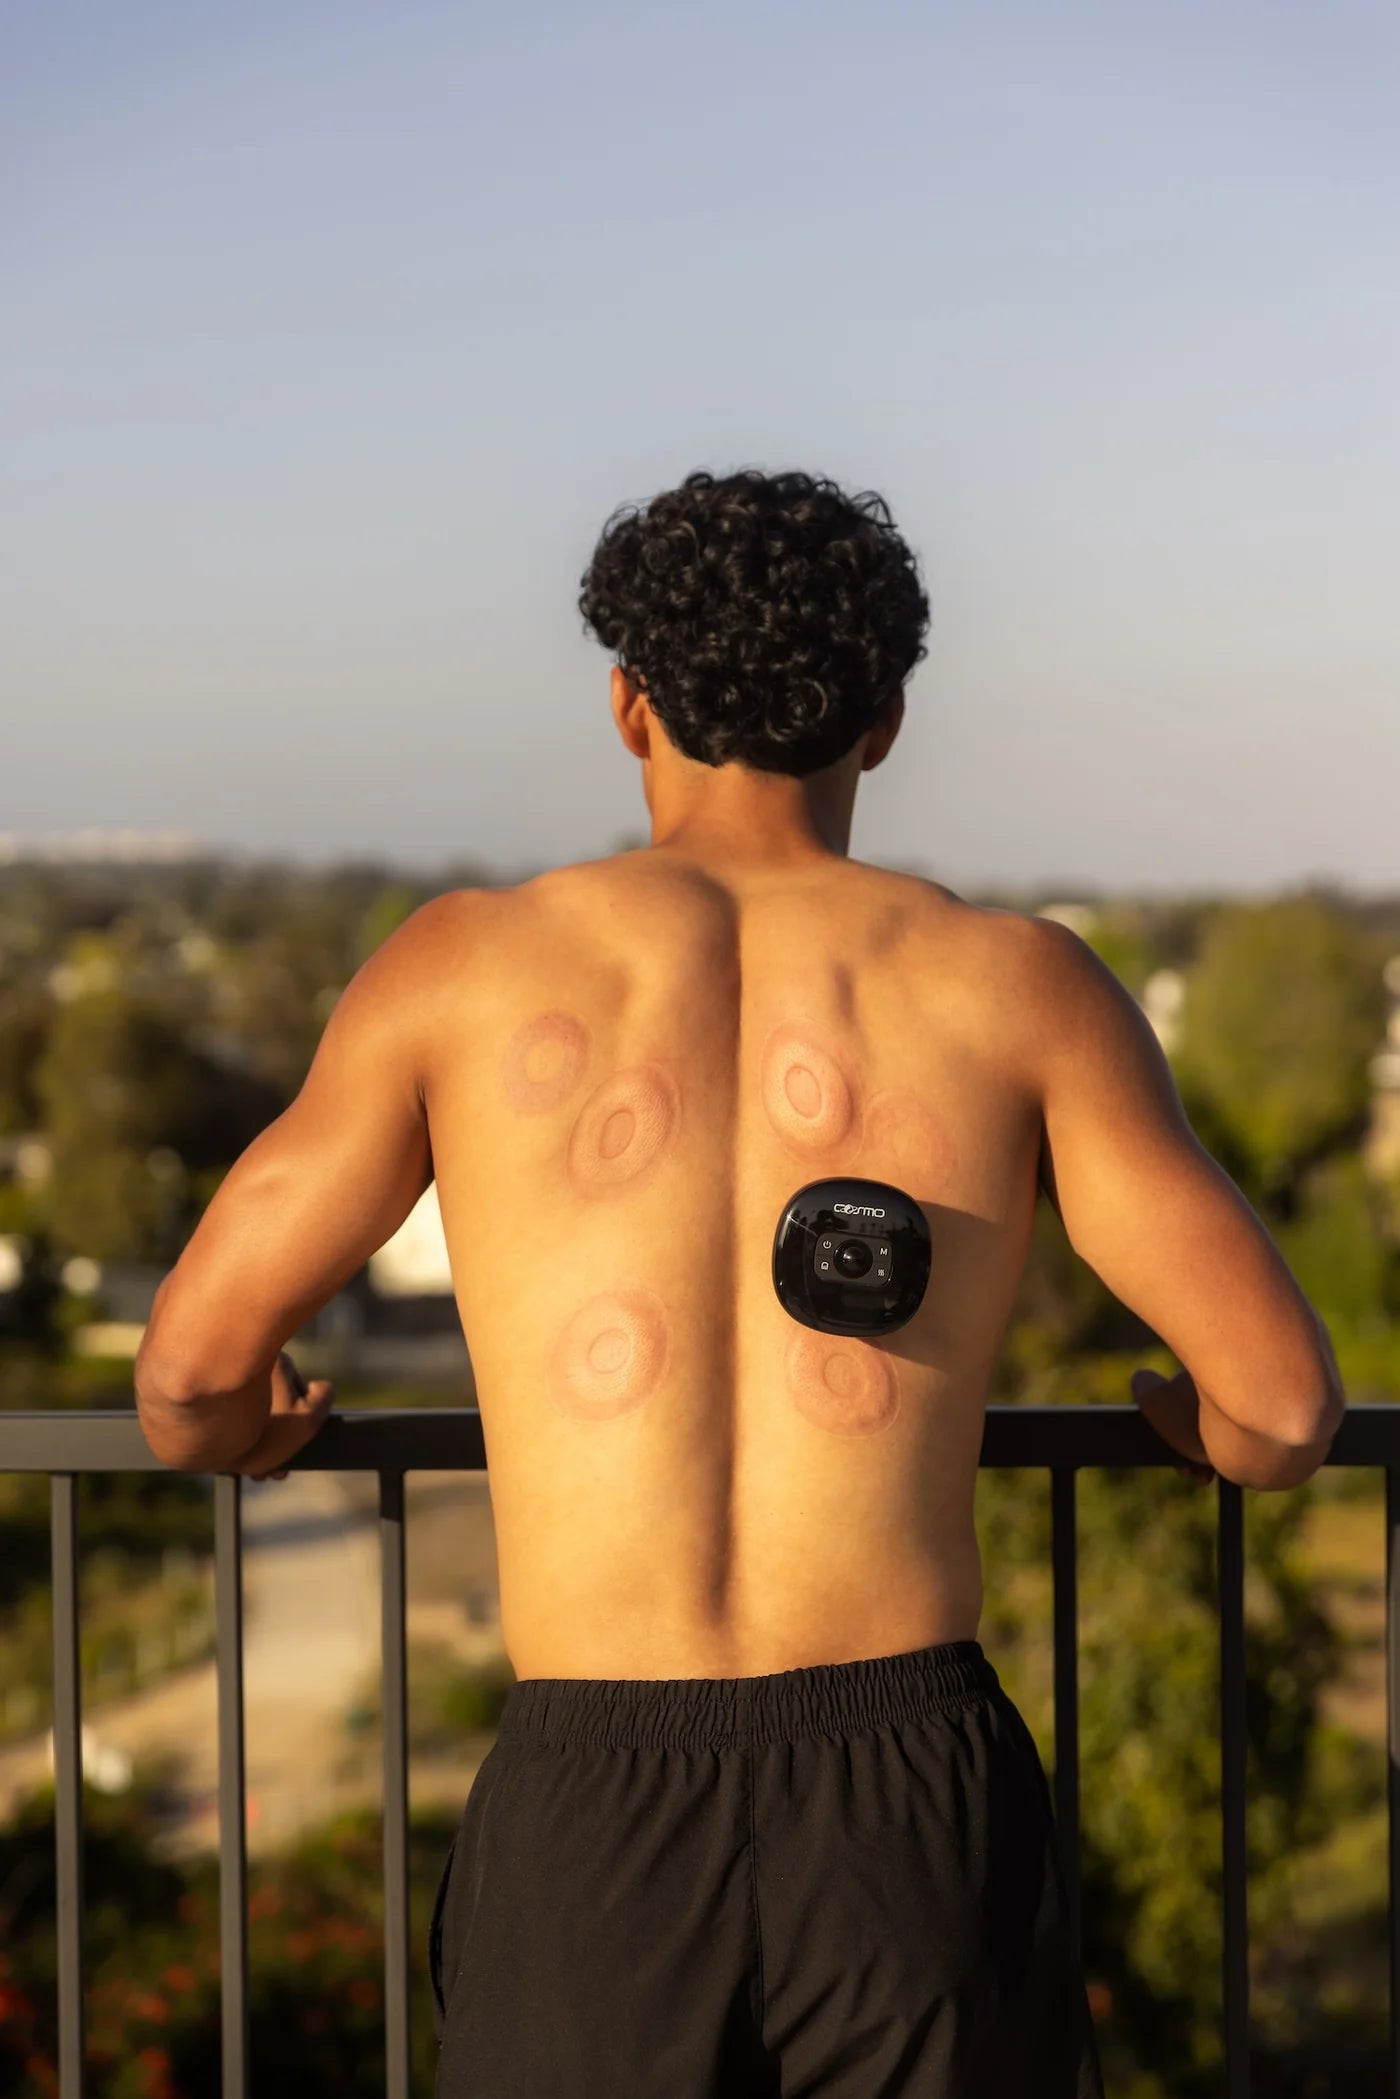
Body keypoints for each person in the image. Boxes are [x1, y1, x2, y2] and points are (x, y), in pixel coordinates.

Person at [134, 467, 1346, 2097]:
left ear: (629, 705)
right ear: (887, 718)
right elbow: (1279, 1408)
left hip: (594, 1803)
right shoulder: (1016, 987)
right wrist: (1187, 1426)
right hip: (909, 1797)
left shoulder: (460, 972)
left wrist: (244, 1433)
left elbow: (190, 1376)